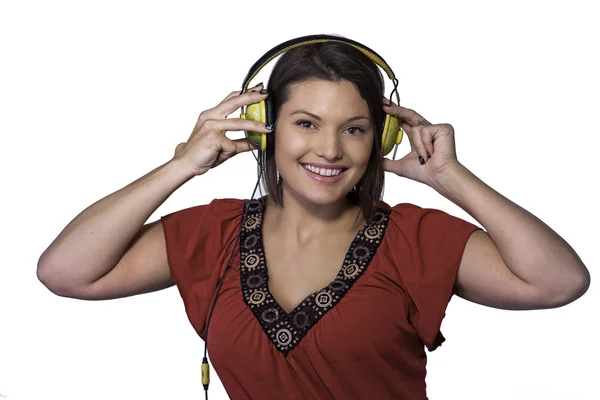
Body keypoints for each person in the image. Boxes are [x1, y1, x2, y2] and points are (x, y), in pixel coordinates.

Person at [37, 37, 590, 400]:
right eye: (306, 123)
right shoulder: (211, 234)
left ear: (382, 138)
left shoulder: (414, 239)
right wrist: (179, 167)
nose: (329, 149)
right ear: (264, 124)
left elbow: (560, 281)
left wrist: (451, 179)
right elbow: (65, 272)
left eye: (354, 129)